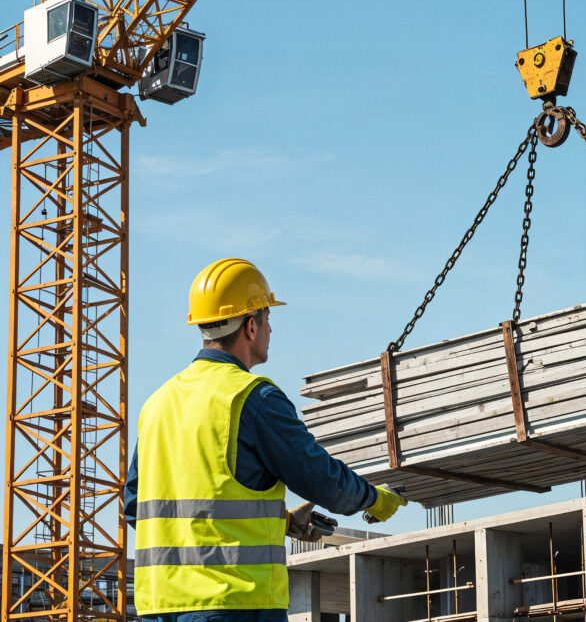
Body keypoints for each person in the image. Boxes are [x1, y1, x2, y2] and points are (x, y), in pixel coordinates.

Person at [125, 258, 406, 621]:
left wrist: (279, 521)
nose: (272, 328)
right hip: (235, 605)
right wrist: (373, 498)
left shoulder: (157, 404)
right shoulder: (252, 397)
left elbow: (137, 507)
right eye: (269, 317)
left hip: (159, 608)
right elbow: (321, 479)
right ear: (251, 326)